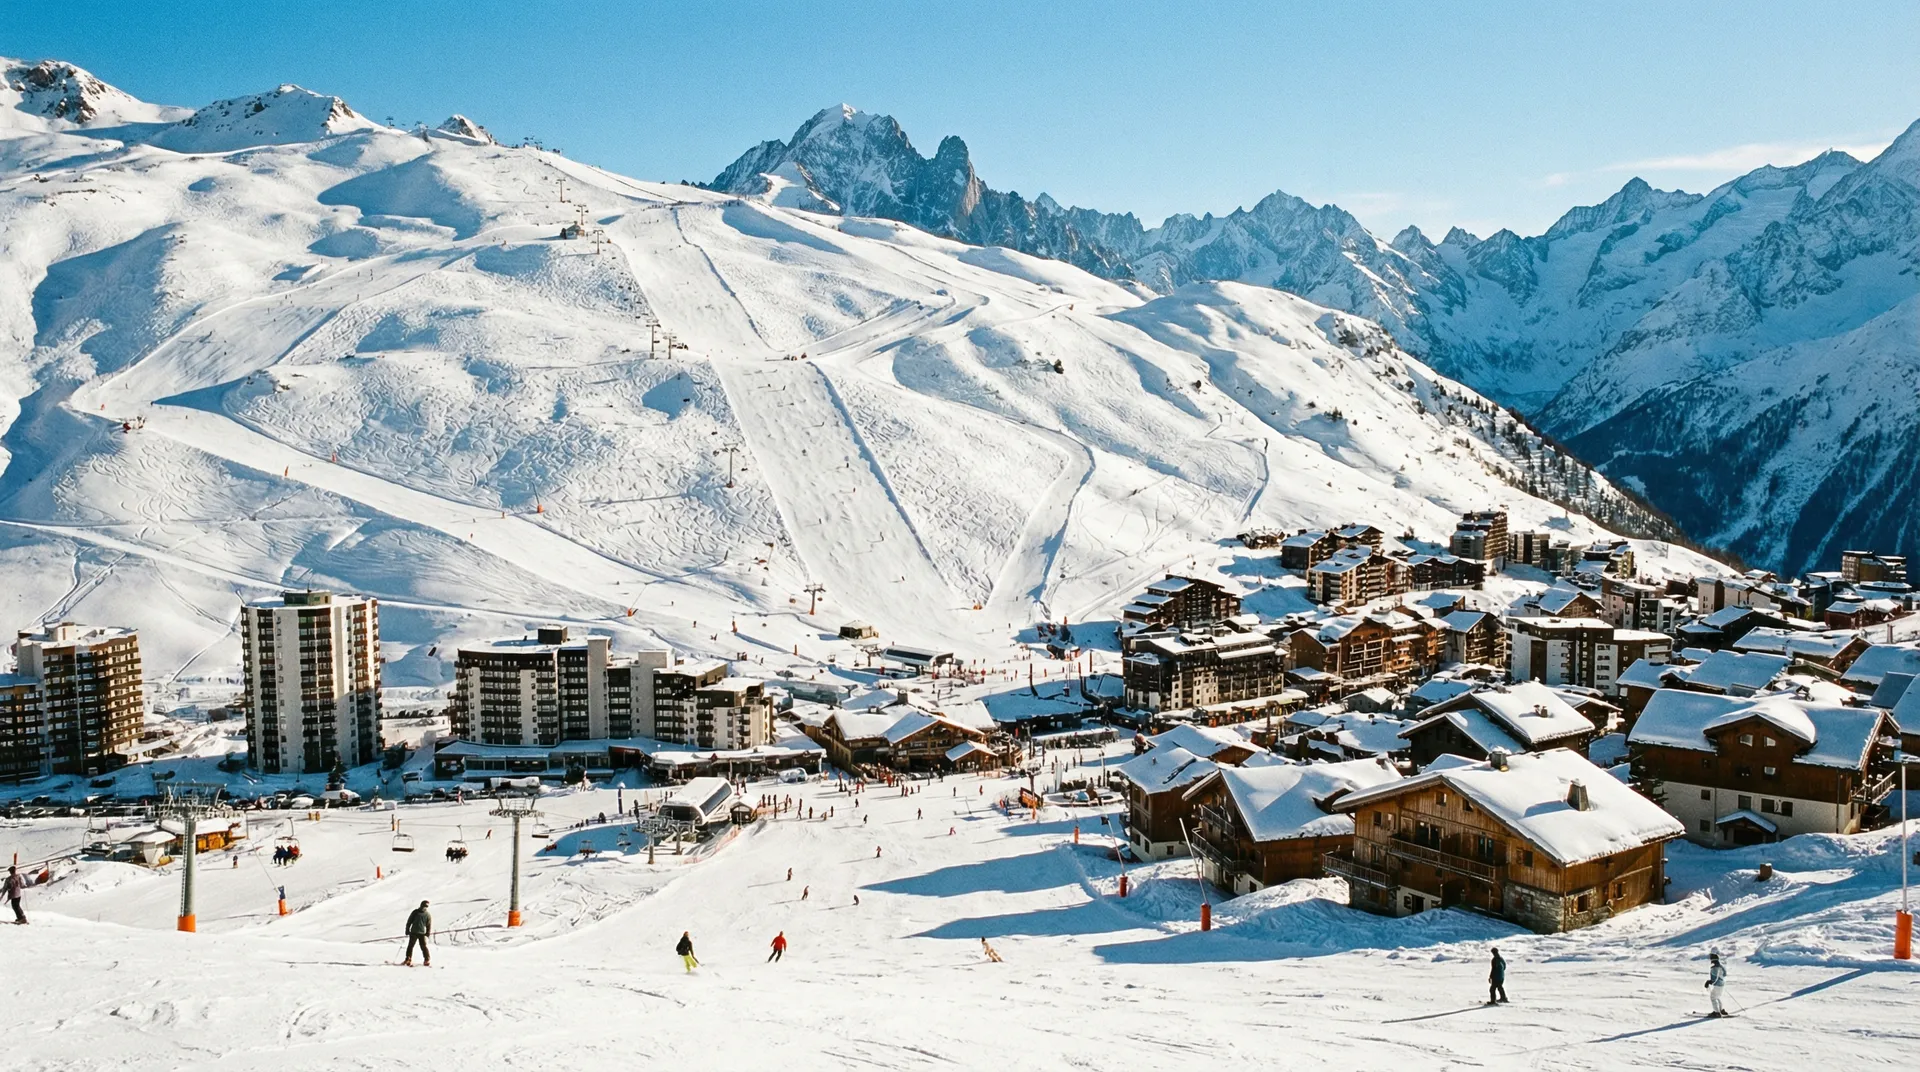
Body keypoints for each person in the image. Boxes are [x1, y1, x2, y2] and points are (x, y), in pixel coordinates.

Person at [403, 900, 432, 966]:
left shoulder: (427, 915)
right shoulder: (415, 912)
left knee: (423, 946)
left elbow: (429, 925)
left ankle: (427, 960)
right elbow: (409, 921)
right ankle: (408, 959)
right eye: (424, 906)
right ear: (421, 905)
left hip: (422, 933)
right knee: (410, 946)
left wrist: (428, 932)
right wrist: (407, 929)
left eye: (426, 907)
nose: (424, 908)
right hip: (413, 932)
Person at [1706, 951, 1728, 1017]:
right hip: (1722, 984)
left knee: (1713, 997)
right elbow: (1725, 974)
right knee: (1717, 997)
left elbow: (1715, 978)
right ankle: (1721, 1010)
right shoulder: (1721, 966)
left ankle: (1717, 1012)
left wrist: (1709, 982)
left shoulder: (1714, 968)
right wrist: (1720, 980)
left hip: (1717, 985)